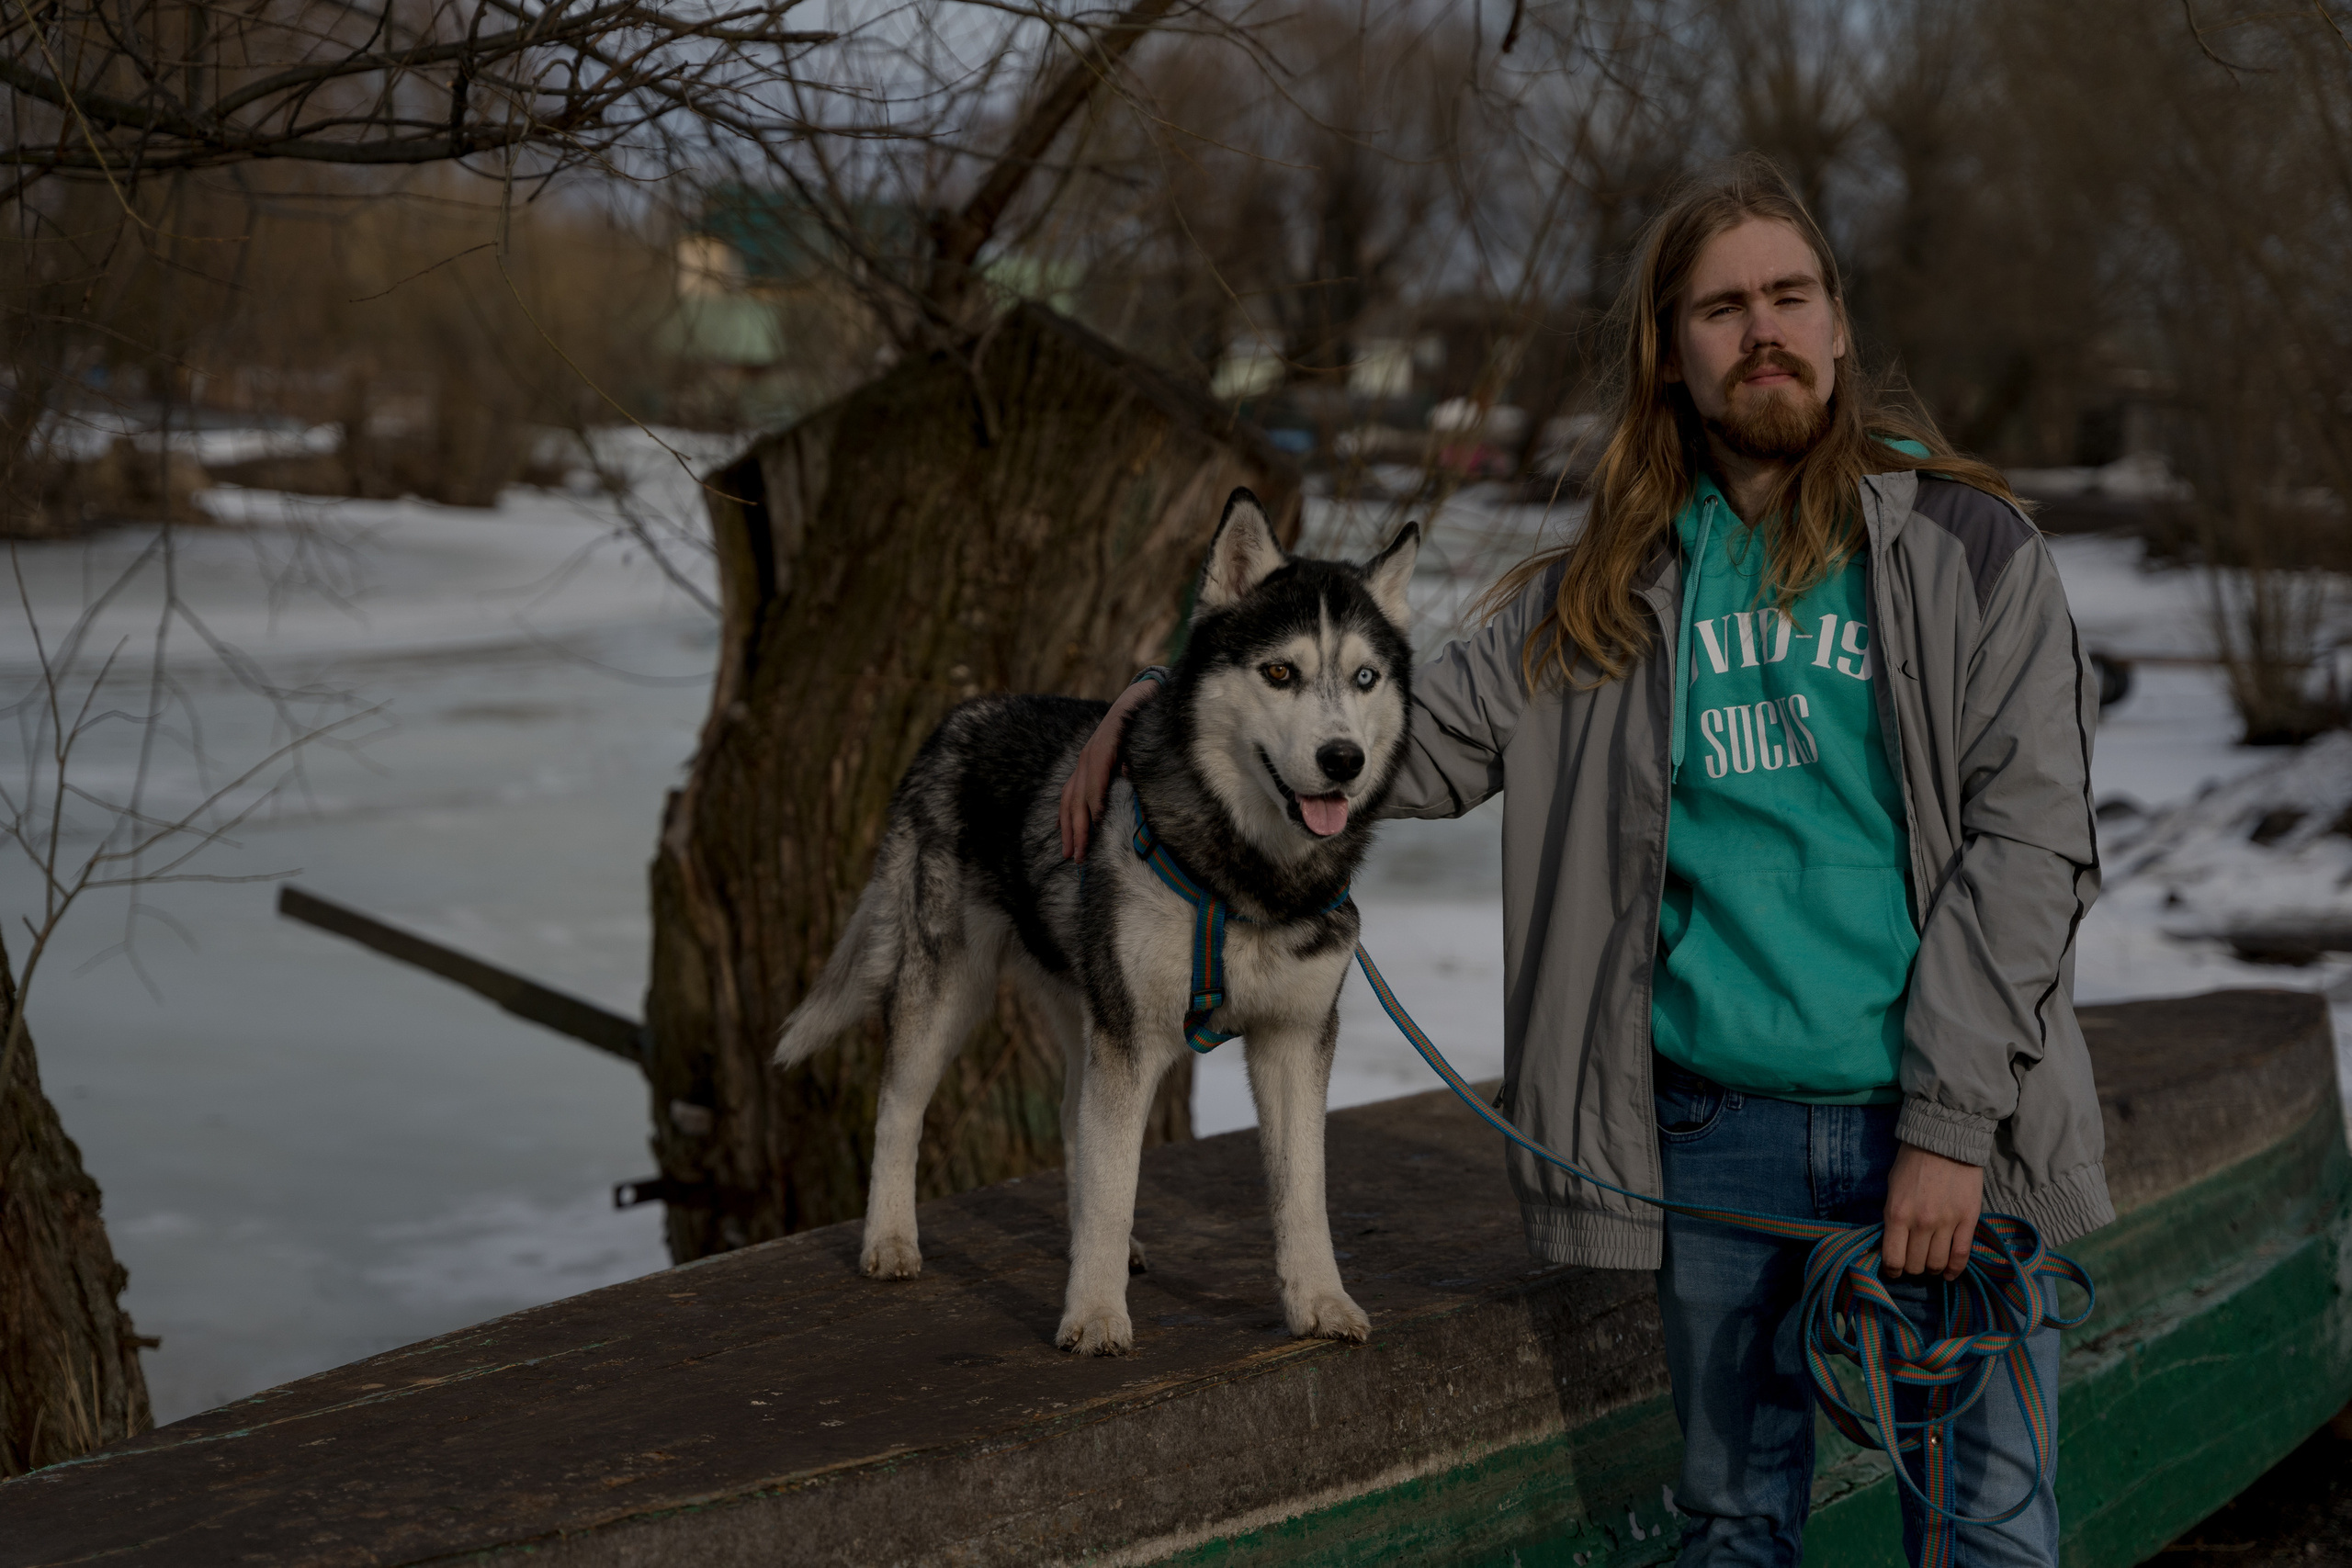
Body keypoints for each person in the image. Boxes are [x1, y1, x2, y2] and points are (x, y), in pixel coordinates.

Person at [1057, 156, 2108, 1568]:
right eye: (1722, 309)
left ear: (1840, 325)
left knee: (1989, 1545)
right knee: (1733, 1534)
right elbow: (1393, 745)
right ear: (1671, 355)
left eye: (1791, 296)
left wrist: (1948, 1129)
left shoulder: (1973, 552)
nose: (1764, 331)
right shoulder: (1596, 598)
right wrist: (1168, 702)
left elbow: (2033, 848)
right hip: (1717, 1137)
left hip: (1945, 1137)